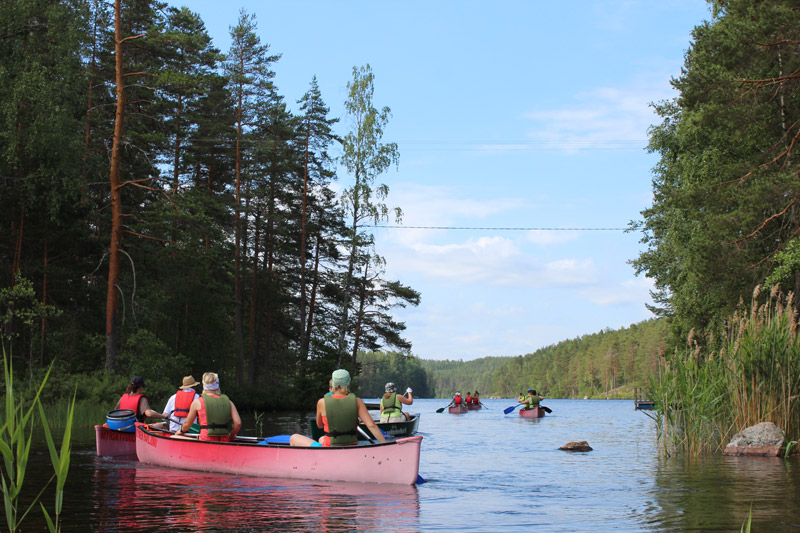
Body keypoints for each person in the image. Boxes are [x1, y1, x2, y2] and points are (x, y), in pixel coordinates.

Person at [290, 369, 387, 447]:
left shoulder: (322, 402)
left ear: (333, 384)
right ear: (348, 384)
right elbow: (372, 426)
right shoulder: (357, 401)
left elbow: (319, 425)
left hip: (330, 447)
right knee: (321, 439)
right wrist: (386, 445)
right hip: (351, 446)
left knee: (294, 438)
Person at [175, 372, 241, 442]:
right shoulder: (229, 402)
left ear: (204, 385)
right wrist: (232, 435)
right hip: (224, 441)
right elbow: (238, 423)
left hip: (205, 440)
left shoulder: (198, 402)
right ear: (217, 385)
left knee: (174, 436)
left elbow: (187, 424)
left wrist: (181, 431)